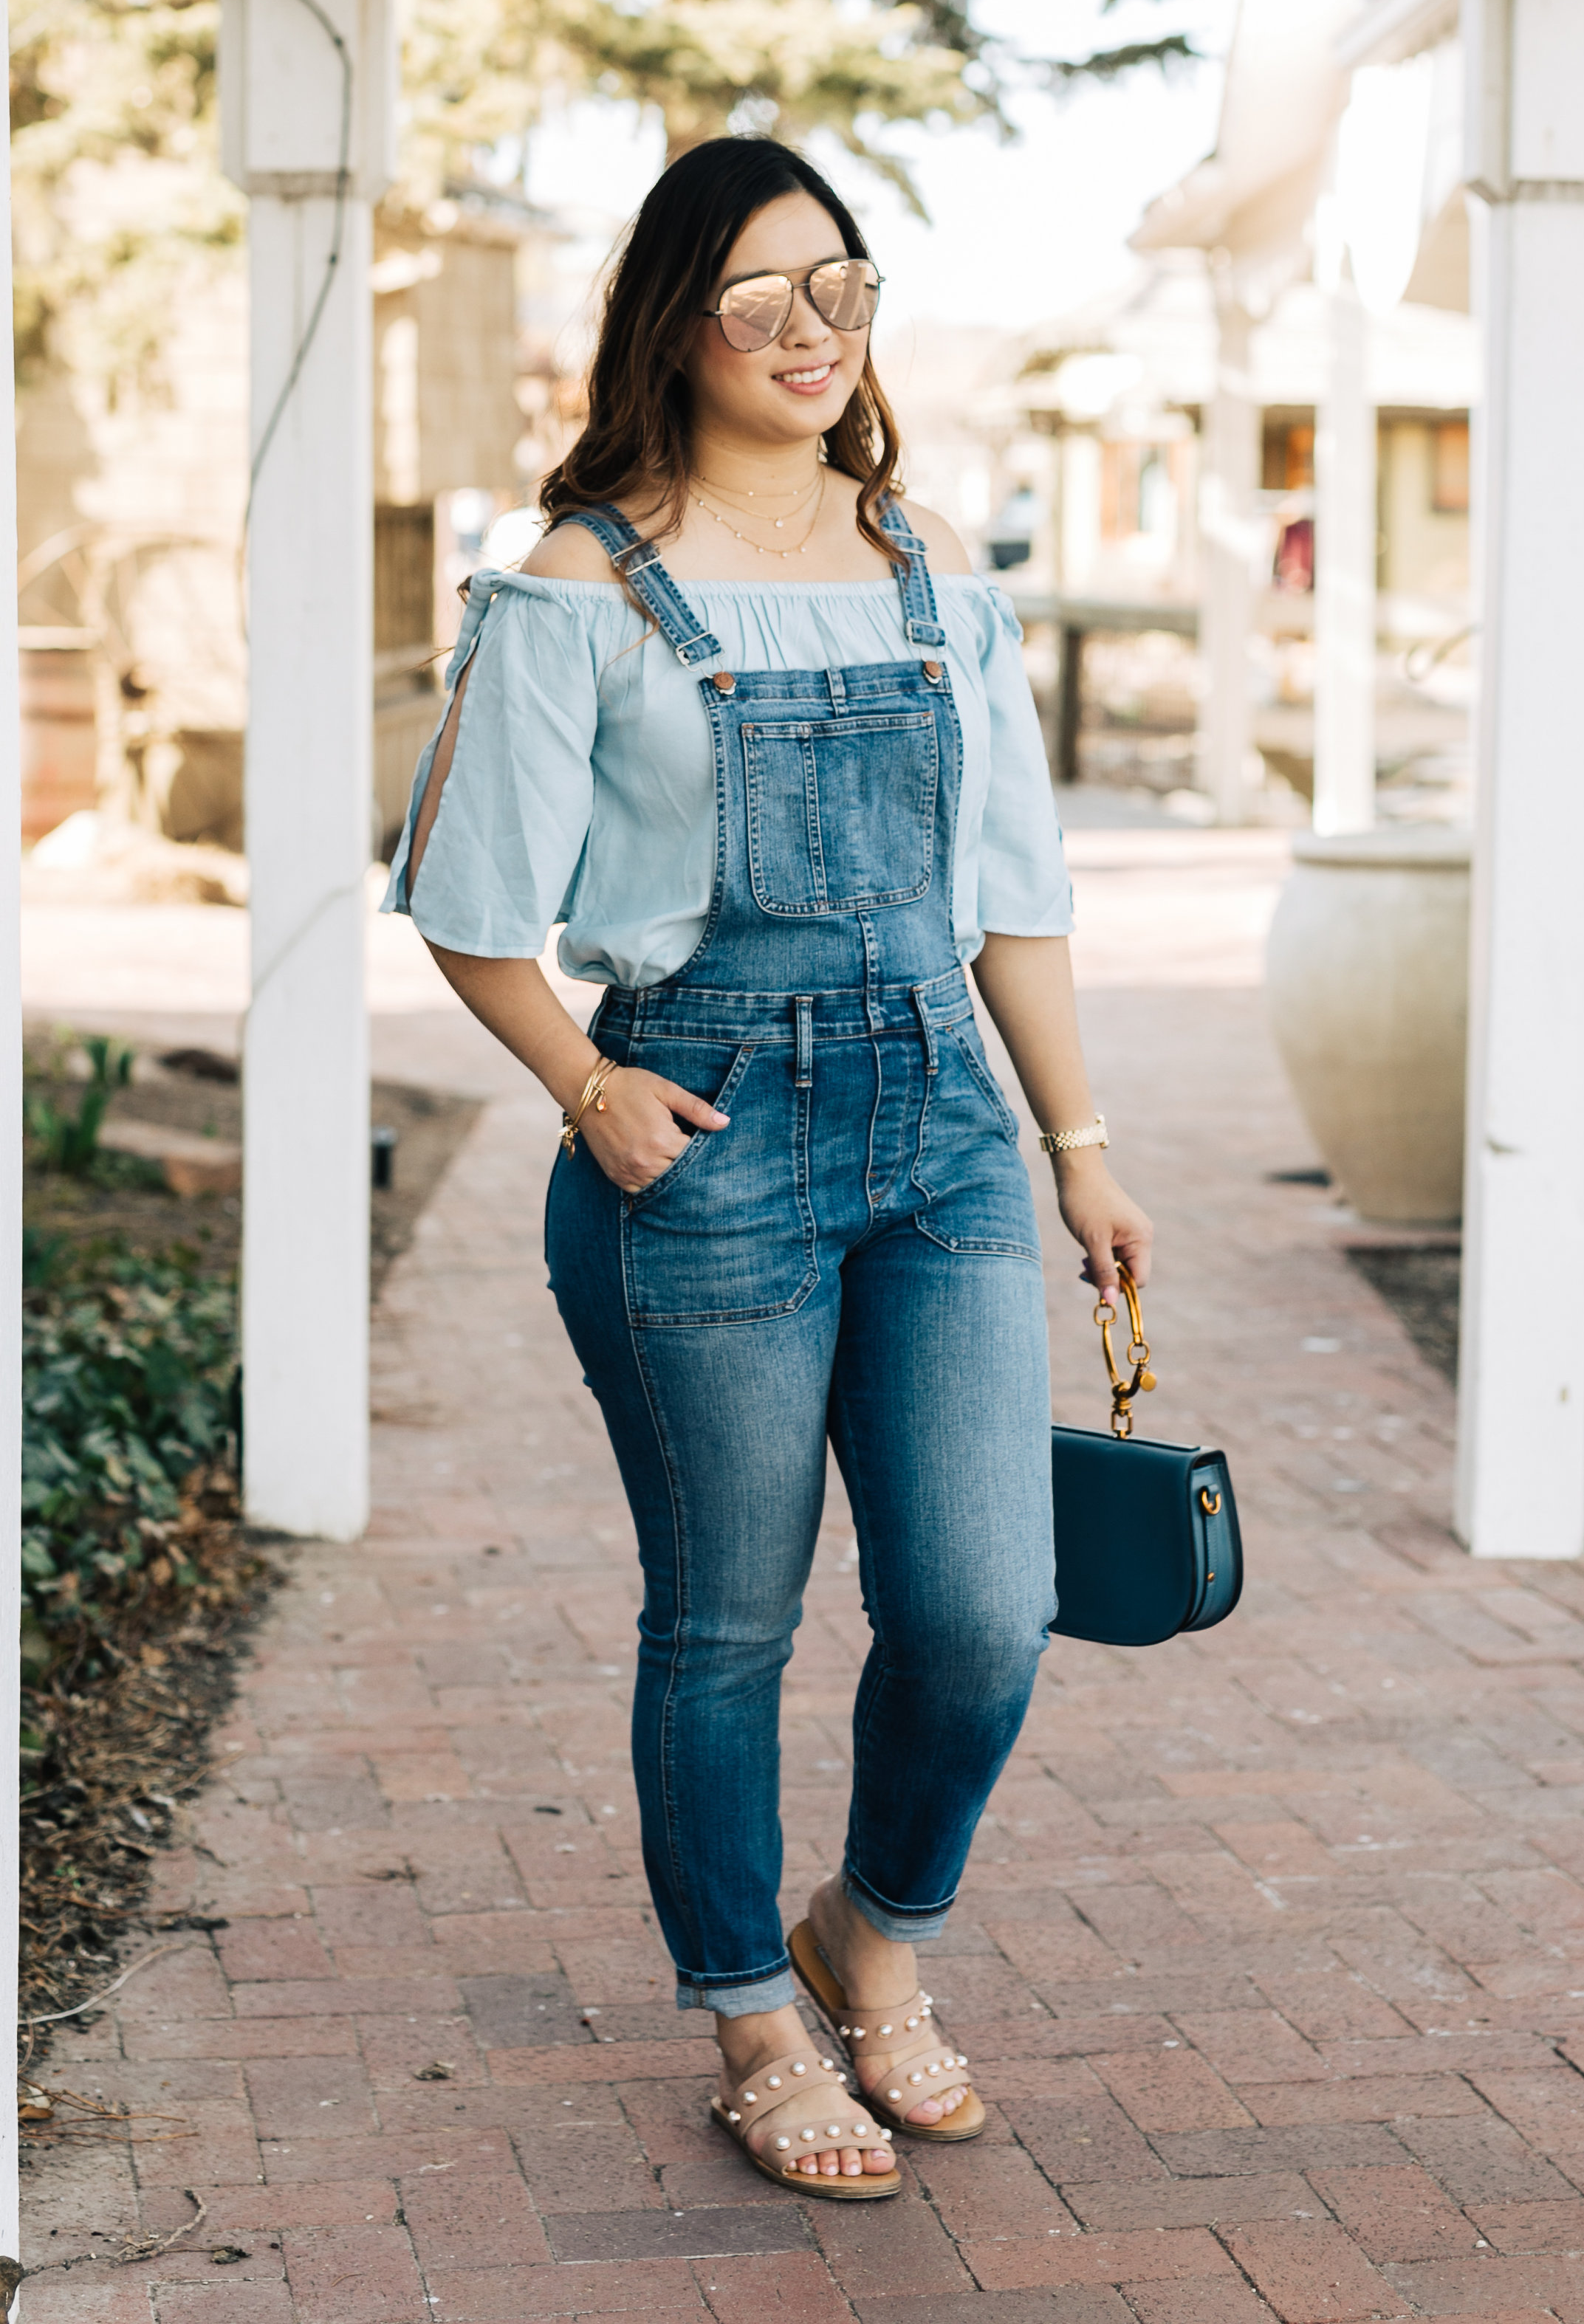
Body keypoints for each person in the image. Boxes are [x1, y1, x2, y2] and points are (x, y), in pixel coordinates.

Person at [387, 138, 1153, 2201]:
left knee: (984, 1609)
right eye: (757, 301)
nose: (811, 335)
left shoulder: (932, 571)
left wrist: (1077, 1150)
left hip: (940, 1139)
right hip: (698, 1140)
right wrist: (581, 1083)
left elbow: (1013, 897)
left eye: (842, 288)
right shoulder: (577, 584)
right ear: (672, 324)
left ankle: (870, 1943)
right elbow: (466, 899)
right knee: (726, 1619)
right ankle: (747, 2009)